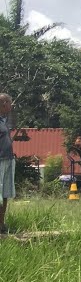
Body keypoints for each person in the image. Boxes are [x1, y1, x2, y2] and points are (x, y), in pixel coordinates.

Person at [0, 94, 14, 236]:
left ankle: (2, 224)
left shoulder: (4, 121)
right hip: (0, 160)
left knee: (5, 194)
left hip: (8, 160)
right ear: (4, 103)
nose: (11, 106)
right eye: (10, 103)